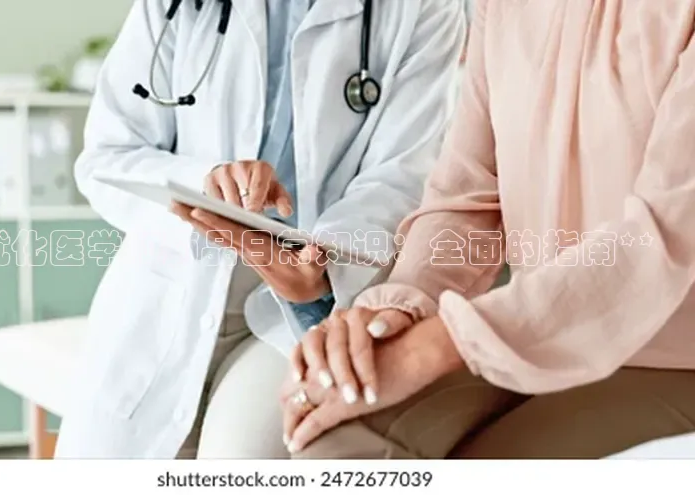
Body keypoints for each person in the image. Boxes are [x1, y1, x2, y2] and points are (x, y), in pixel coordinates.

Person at [281, 0, 695, 459]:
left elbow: (660, 240)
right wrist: (395, 310)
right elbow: (466, 196)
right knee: (335, 441)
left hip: (673, 358)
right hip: (528, 331)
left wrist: (438, 344)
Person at [54, 0, 467, 459]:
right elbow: (107, 156)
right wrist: (206, 184)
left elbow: (402, 174)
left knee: (241, 457)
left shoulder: (423, 8)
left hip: (308, 302)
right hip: (174, 285)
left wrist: (323, 266)